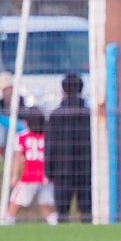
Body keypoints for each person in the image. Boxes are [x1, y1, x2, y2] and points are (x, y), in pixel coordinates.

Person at [46, 73, 92, 223]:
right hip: (86, 169)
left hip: (62, 169)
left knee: (62, 211)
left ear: (63, 90)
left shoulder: (56, 115)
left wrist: (48, 170)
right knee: (87, 210)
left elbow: (50, 145)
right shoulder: (89, 114)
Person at [2, 108, 58, 226]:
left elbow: (17, 157)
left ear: (26, 122)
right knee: (44, 205)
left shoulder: (22, 137)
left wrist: (14, 175)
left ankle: (6, 224)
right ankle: (56, 223)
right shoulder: (48, 136)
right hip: (46, 176)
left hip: (29, 176)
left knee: (14, 204)